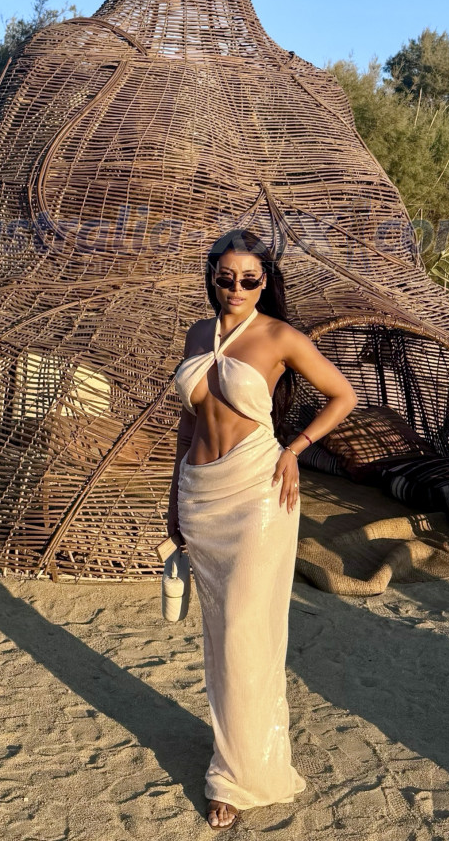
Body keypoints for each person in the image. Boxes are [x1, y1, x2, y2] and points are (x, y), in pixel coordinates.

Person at [169, 228, 357, 829]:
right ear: (212, 276)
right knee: (219, 631)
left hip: (257, 492)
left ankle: (237, 778)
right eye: (226, 277)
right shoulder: (199, 334)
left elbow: (343, 396)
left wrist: (295, 449)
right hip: (201, 492)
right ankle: (235, 752)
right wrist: (174, 497)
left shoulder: (280, 337)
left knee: (245, 632)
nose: (237, 288)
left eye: (250, 279)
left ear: (265, 281)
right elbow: (189, 423)